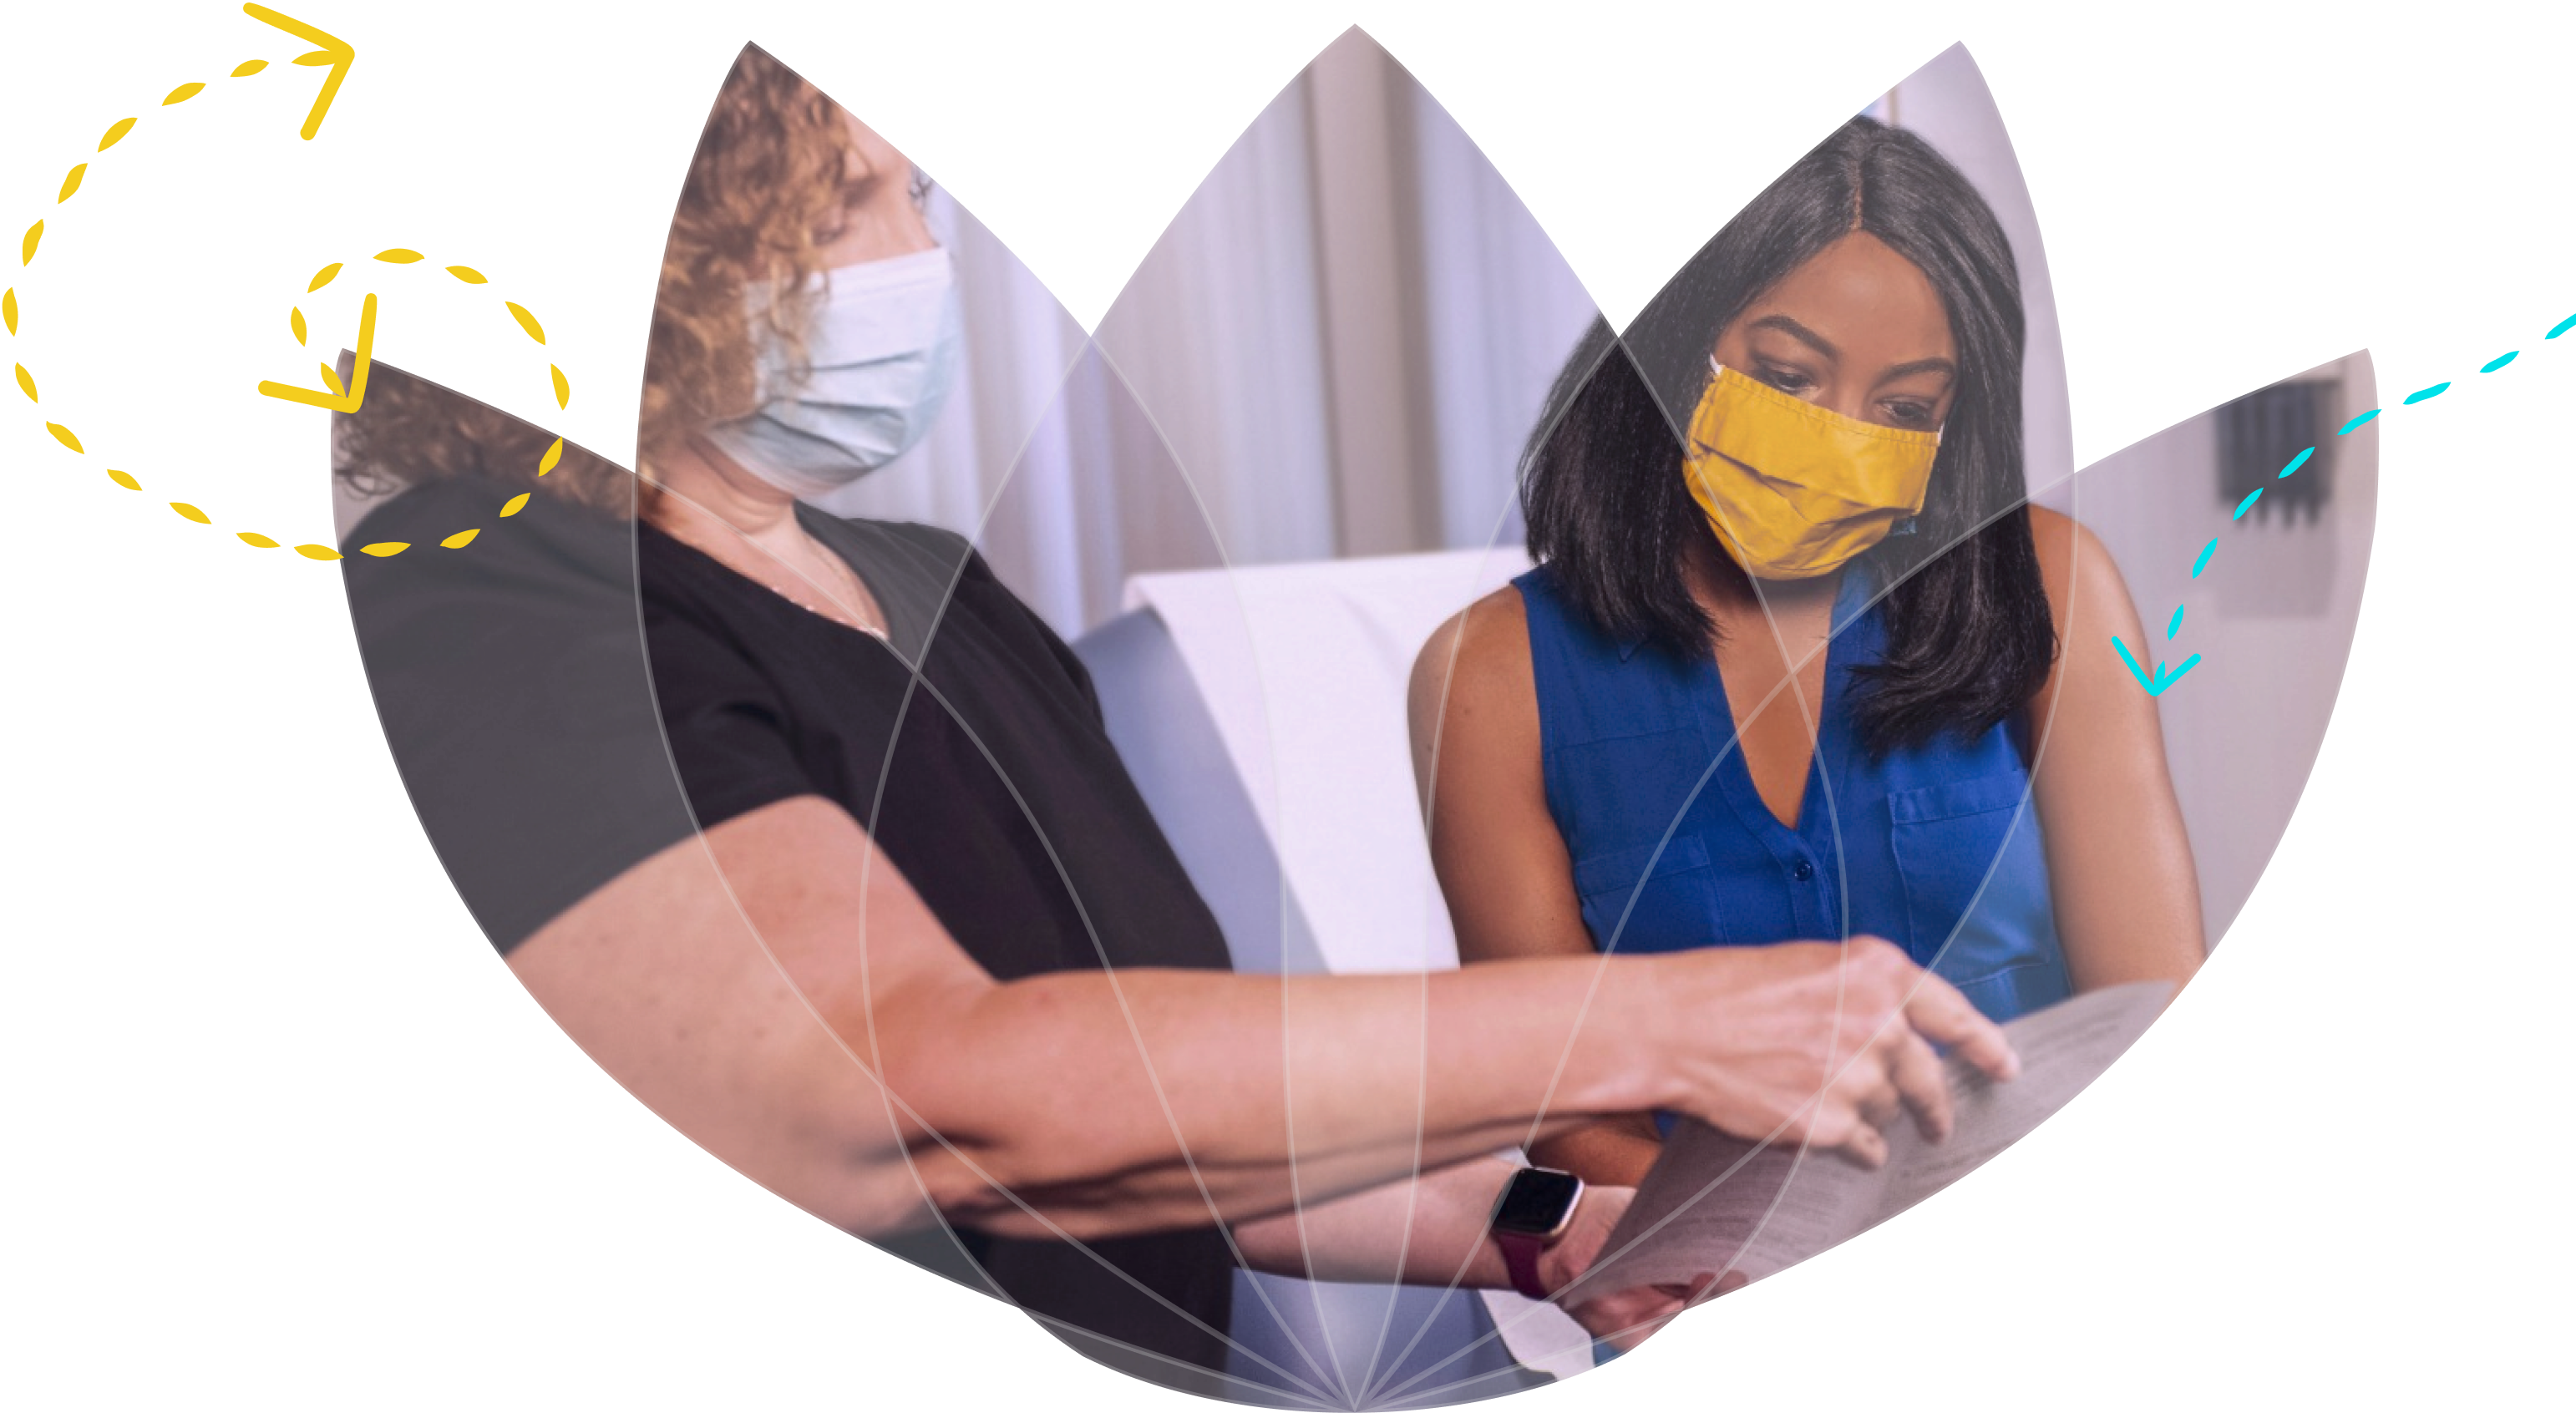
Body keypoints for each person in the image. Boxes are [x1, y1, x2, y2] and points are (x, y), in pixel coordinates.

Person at [332, 50, 2021, 1401]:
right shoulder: (496, 609)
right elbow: (899, 1105)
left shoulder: (936, 593)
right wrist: (1652, 1025)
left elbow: (1159, 1119)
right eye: (854, 202)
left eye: (918, 197)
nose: (923, 255)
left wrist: (1556, 1231)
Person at [1411, 116, 2206, 1204]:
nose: (1839, 440)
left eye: (1904, 409)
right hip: (1705, 1267)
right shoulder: (1489, 674)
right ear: (1668, 342)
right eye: (1788, 378)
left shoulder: (2053, 586)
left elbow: (2147, 1005)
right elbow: (1567, 1114)